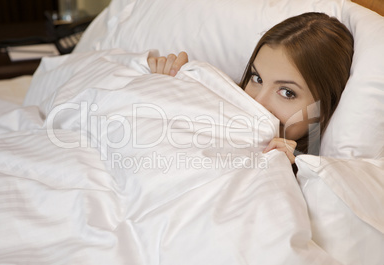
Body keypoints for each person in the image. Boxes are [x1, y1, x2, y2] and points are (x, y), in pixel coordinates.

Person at [147, 12, 354, 165]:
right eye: (257, 78)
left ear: (325, 109)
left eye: (287, 92)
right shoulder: (216, 102)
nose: (258, 102)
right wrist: (166, 87)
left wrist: (294, 169)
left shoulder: (314, 177)